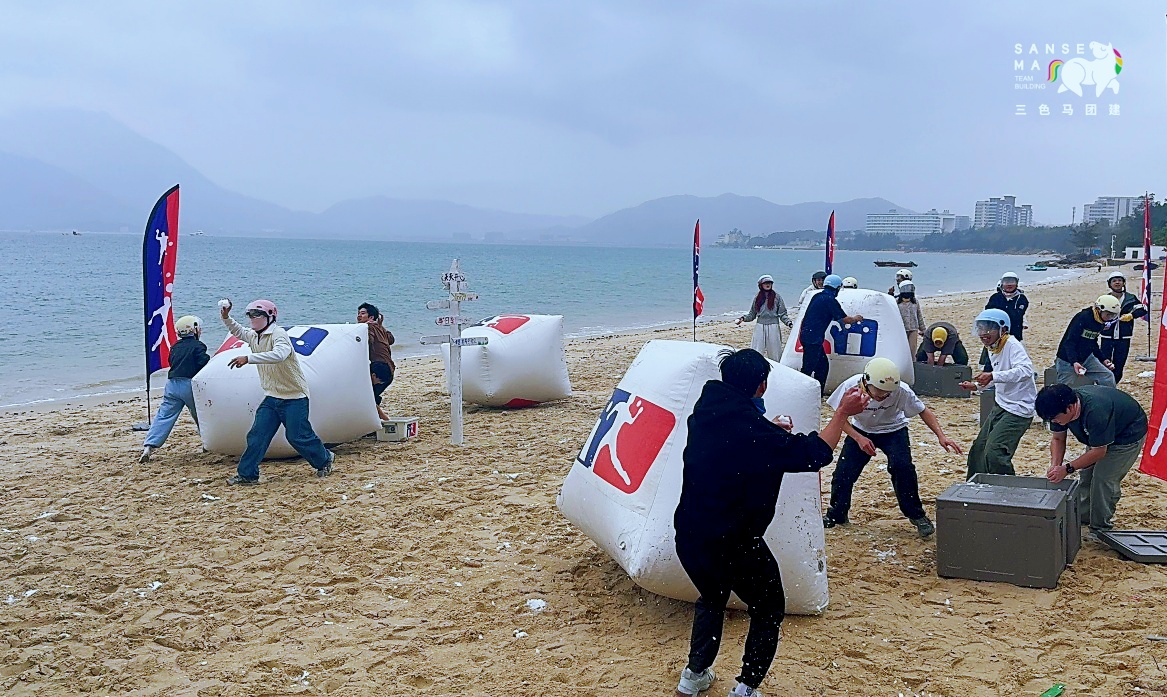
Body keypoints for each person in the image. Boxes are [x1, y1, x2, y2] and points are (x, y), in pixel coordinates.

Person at [673, 348, 869, 697]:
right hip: (734, 542)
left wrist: (769, 430)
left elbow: (738, 442)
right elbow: (815, 455)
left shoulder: (705, 413)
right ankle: (746, 688)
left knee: (712, 598)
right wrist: (841, 413)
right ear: (761, 386)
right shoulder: (756, 436)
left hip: (689, 534)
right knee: (768, 608)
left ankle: (694, 675)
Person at [822, 357, 962, 537]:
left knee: (903, 468)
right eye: (879, 392)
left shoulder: (902, 390)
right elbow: (839, 417)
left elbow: (923, 410)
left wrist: (941, 436)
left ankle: (917, 515)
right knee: (843, 472)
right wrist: (858, 438)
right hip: (861, 430)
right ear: (867, 382)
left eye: (887, 393)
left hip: (894, 430)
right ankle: (837, 514)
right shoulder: (850, 386)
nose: (883, 397)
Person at [220, 298, 334, 484]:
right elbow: (238, 331)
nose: (252, 318)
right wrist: (226, 317)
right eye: (250, 315)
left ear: (270, 316)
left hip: (294, 396)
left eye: (256, 314)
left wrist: (249, 358)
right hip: (272, 397)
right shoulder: (254, 335)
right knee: (257, 436)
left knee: (297, 437)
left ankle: (324, 459)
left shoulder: (278, 334)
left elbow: (280, 354)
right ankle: (247, 475)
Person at [1037, 383, 1148, 539]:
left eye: (1055, 419)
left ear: (1070, 408)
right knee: (1086, 475)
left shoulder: (1096, 411)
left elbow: (1099, 451)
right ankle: (1084, 516)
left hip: (1127, 435)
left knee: (1103, 479)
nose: (1054, 422)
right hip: (1098, 435)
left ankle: (1100, 528)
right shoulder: (1058, 410)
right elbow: (1057, 439)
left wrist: (1067, 468)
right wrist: (1055, 465)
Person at [961, 310, 1037, 479]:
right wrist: (976, 386)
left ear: (1003, 330)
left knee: (995, 453)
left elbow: (1026, 371)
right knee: (978, 451)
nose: (984, 334)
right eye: (981, 329)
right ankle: (974, 486)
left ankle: (1007, 489)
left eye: (989, 329)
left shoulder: (1012, 345)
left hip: (1019, 409)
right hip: (1001, 404)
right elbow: (998, 375)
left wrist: (993, 376)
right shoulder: (993, 346)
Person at [139, 315, 210, 463]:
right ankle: (207, 443)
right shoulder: (199, 346)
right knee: (201, 415)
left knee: (164, 416)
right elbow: (203, 363)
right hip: (189, 385)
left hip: (172, 385)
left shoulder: (175, 346)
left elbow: (171, 362)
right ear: (194, 330)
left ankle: (149, 446)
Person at [798, 274, 863, 392]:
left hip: (808, 336)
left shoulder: (817, 296)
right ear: (837, 288)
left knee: (822, 367)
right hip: (813, 339)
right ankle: (801, 391)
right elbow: (846, 319)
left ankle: (817, 392)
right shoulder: (830, 300)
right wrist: (856, 318)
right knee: (808, 368)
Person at [1054, 295, 1119, 388]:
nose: (1110, 318)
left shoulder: (1100, 321)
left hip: (1087, 358)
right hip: (1067, 359)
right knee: (1063, 388)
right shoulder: (1082, 317)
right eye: (1108, 314)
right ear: (1099, 309)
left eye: (1113, 315)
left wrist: (1103, 359)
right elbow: (1069, 342)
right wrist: (1074, 362)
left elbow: (1092, 342)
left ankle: (1110, 396)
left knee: (1108, 376)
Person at [1099, 271, 1149, 383]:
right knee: (1104, 363)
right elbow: (1096, 314)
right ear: (1109, 284)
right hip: (1107, 337)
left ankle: (1114, 385)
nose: (1117, 282)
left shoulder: (1130, 298)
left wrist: (1132, 315)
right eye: (1114, 281)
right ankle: (1105, 384)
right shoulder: (1104, 299)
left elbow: (1143, 309)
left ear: (1123, 283)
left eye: (1119, 280)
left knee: (1119, 364)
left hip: (1124, 337)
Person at [736, 275, 793, 361]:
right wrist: (743, 319)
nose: (768, 284)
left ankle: (777, 367)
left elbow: (782, 314)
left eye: (769, 283)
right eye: (765, 283)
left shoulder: (777, 297)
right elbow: (752, 314)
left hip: (773, 326)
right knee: (756, 350)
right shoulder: (757, 298)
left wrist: (789, 323)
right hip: (760, 326)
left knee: (775, 351)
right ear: (761, 285)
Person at [358, 302, 396, 421]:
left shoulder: (368, 327)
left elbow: (368, 341)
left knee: (366, 396)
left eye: (362, 313)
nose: (359, 316)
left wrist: (361, 332)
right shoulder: (379, 328)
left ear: (371, 317)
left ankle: (384, 420)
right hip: (390, 369)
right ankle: (380, 419)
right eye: (358, 313)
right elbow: (391, 340)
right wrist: (380, 326)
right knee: (371, 396)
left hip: (379, 368)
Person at [985, 272, 1029, 342]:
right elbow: (988, 314)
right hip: (996, 334)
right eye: (1006, 281)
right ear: (1002, 283)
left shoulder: (1021, 299)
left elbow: (1018, 315)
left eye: (1012, 281)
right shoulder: (995, 297)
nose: (1009, 284)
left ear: (1017, 283)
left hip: (1015, 335)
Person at [896, 280, 926, 356]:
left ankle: (912, 362)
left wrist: (923, 329)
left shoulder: (915, 302)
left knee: (912, 349)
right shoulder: (897, 302)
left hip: (913, 328)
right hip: (901, 329)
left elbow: (919, 315)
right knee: (902, 349)